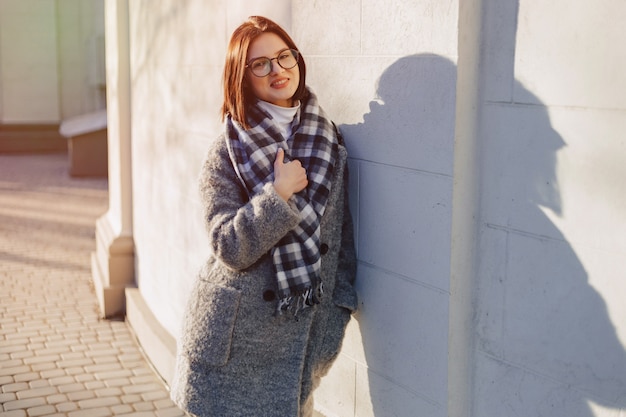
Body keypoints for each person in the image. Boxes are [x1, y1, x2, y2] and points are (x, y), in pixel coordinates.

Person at [170, 16, 358, 417]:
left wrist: (332, 323)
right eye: (260, 64)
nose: (277, 70)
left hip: (298, 347)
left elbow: (340, 245)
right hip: (233, 347)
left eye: (283, 56)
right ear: (242, 77)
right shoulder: (227, 150)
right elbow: (228, 246)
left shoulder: (328, 140)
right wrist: (277, 194)